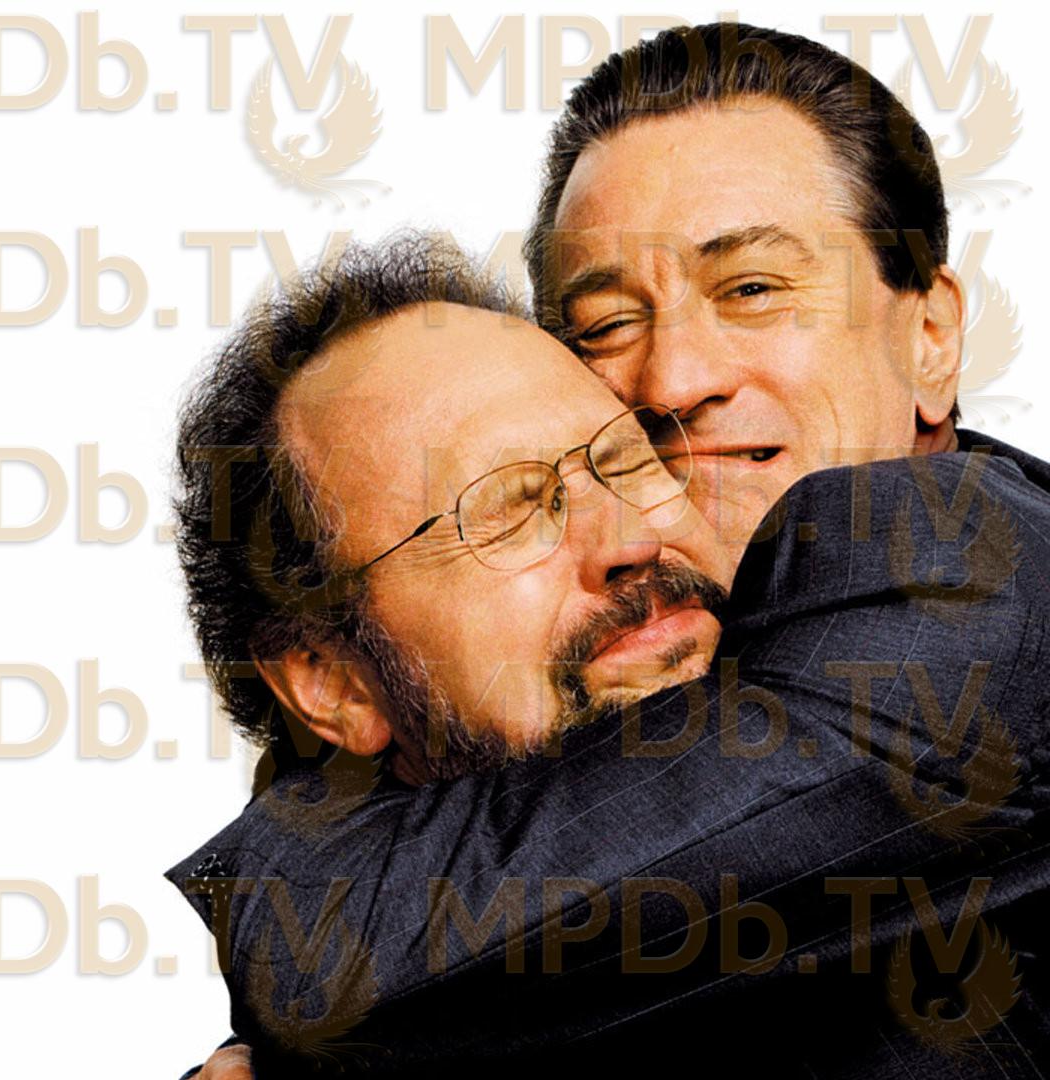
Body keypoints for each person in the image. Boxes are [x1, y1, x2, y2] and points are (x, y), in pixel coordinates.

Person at [168, 236, 1050, 1076]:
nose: (631, 537)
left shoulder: (958, 572)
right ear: (333, 683)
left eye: (627, 460)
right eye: (511, 510)